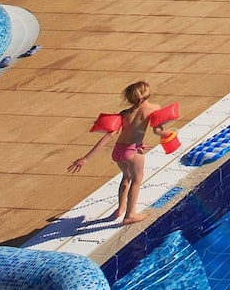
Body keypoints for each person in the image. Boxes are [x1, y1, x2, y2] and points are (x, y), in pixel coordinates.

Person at [69, 81, 178, 225]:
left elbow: (109, 136)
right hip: (132, 152)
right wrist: (170, 133)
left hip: (119, 151)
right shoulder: (154, 108)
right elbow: (158, 131)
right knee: (137, 181)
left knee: (126, 178)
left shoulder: (124, 113)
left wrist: (86, 158)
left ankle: (120, 209)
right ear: (148, 93)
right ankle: (130, 215)